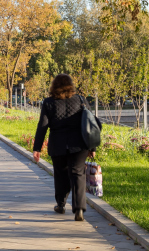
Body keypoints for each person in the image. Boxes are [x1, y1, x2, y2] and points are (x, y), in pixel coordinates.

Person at [32, 74, 95, 222]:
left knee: (60, 174)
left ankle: (60, 205)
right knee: (78, 174)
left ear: (54, 86)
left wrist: (37, 148)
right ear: (71, 86)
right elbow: (90, 124)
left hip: (58, 143)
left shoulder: (48, 102)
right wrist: (92, 147)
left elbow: (43, 126)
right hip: (79, 144)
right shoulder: (80, 100)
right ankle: (79, 208)